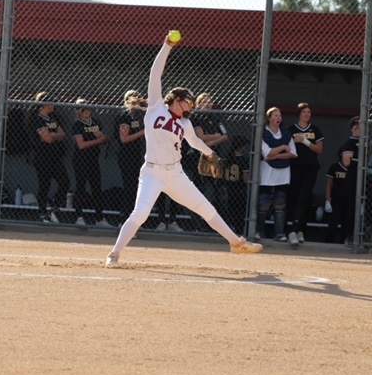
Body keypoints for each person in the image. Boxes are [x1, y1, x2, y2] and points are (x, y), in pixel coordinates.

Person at [106, 33, 262, 266]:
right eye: (186, 102)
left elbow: (194, 142)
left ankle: (237, 243)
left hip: (175, 174)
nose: (189, 107)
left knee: (206, 208)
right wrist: (167, 46)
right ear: (175, 100)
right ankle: (114, 254)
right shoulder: (156, 107)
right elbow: (155, 73)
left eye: (190, 104)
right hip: (152, 173)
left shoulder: (186, 124)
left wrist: (209, 153)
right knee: (140, 214)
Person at [256, 107, 298, 242]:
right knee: (264, 204)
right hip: (268, 173)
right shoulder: (264, 133)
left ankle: (279, 233)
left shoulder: (286, 133)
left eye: (279, 115)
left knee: (280, 203)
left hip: (283, 173)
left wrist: (276, 156)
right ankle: (259, 231)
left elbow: (293, 153)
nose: (278, 118)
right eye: (275, 115)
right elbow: (267, 153)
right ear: (269, 118)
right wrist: (283, 148)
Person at [28, 91, 70, 224]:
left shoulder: (52, 118)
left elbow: (62, 135)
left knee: (65, 182)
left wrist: (53, 135)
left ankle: (54, 209)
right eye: (51, 102)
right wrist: (54, 135)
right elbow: (48, 139)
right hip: (42, 157)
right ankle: (42, 213)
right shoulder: (37, 119)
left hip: (55, 157)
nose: (54, 105)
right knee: (44, 186)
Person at [286, 102, 324, 246]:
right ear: (299, 114)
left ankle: (296, 230)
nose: (307, 114)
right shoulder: (291, 129)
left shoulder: (315, 129)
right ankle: (295, 230)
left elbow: (319, 149)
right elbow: (287, 148)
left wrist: (305, 141)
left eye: (309, 112)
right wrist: (293, 142)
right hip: (295, 167)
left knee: (304, 197)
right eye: (304, 112)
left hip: (310, 168)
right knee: (294, 198)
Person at [71, 98, 111, 228]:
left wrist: (101, 137)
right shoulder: (77, 125)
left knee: (96, 189)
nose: (86, 111)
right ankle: (79, 217)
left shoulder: (96, 122)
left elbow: (105, 142)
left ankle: (99, 218)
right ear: (78, 111)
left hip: (93, 159)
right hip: (81, 160)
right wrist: (98, 140)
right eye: (83, 109)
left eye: (87, 108)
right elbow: (81, 145)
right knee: (81, 188)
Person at [115, 89, 146, 226]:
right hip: (126, 156)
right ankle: (124, 219)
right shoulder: (124, 115)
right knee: (129, 187)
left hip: (135, 155)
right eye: (133, 99)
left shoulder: (136, 116)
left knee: (134, 187)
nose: (136, 101)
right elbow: (124, 138)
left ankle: (132, 220)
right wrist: (143, 133)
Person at [338, 116, 361, 246]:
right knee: (353, 205)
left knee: (367, 206)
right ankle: (350, 235)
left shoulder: (365, 142)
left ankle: (364, 235)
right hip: (353, 176)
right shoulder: (350, 143)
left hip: (365, 177)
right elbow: (347, 162)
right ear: (354, 128)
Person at [224, 136, 251, 235]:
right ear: (240, 147)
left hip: (228, 188)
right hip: (239, 189)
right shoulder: (244, 159)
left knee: (230, 210)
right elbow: (245, 178)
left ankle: (231, 228)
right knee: (240, 212)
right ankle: (239, 230)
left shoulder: (227, 158)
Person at [323, 156, 350, 244]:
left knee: (346, 223)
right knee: (333, 223)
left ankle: (344, 242)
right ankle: (328, 243)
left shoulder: (354, 168)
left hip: (349, 200)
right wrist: (327, 201)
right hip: (336, 200)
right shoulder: (334, 167)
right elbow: (329, 185)